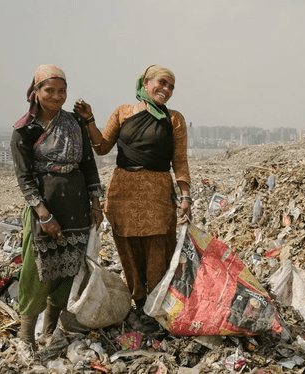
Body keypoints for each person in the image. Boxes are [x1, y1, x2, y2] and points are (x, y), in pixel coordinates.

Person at [74, 64, 191, 313]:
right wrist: (89, 120)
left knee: (160, 246)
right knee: (128, 247)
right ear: (145, 83)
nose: (167, 90)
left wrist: (186, 196)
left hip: (157, 194)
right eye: (162, 83)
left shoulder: (174, 119)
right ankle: (138, 303)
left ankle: (157, 305)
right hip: (123, 193)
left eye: (171, 87)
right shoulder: (123, 113)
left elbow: (179, 160)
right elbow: (102, 146)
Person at [11, 64, 104, 350]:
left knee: (68, 271)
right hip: (46, 208)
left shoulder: (74, 122)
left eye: (62, 90)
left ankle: (49, 333)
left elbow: (89, 165)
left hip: (76, 207)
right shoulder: (25, 129)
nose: (56, 95)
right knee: (36, 272)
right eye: (49, 90)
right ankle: (26, 339)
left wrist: (96, 202)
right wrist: (43, 214)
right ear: (35, 92)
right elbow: (25, 178)